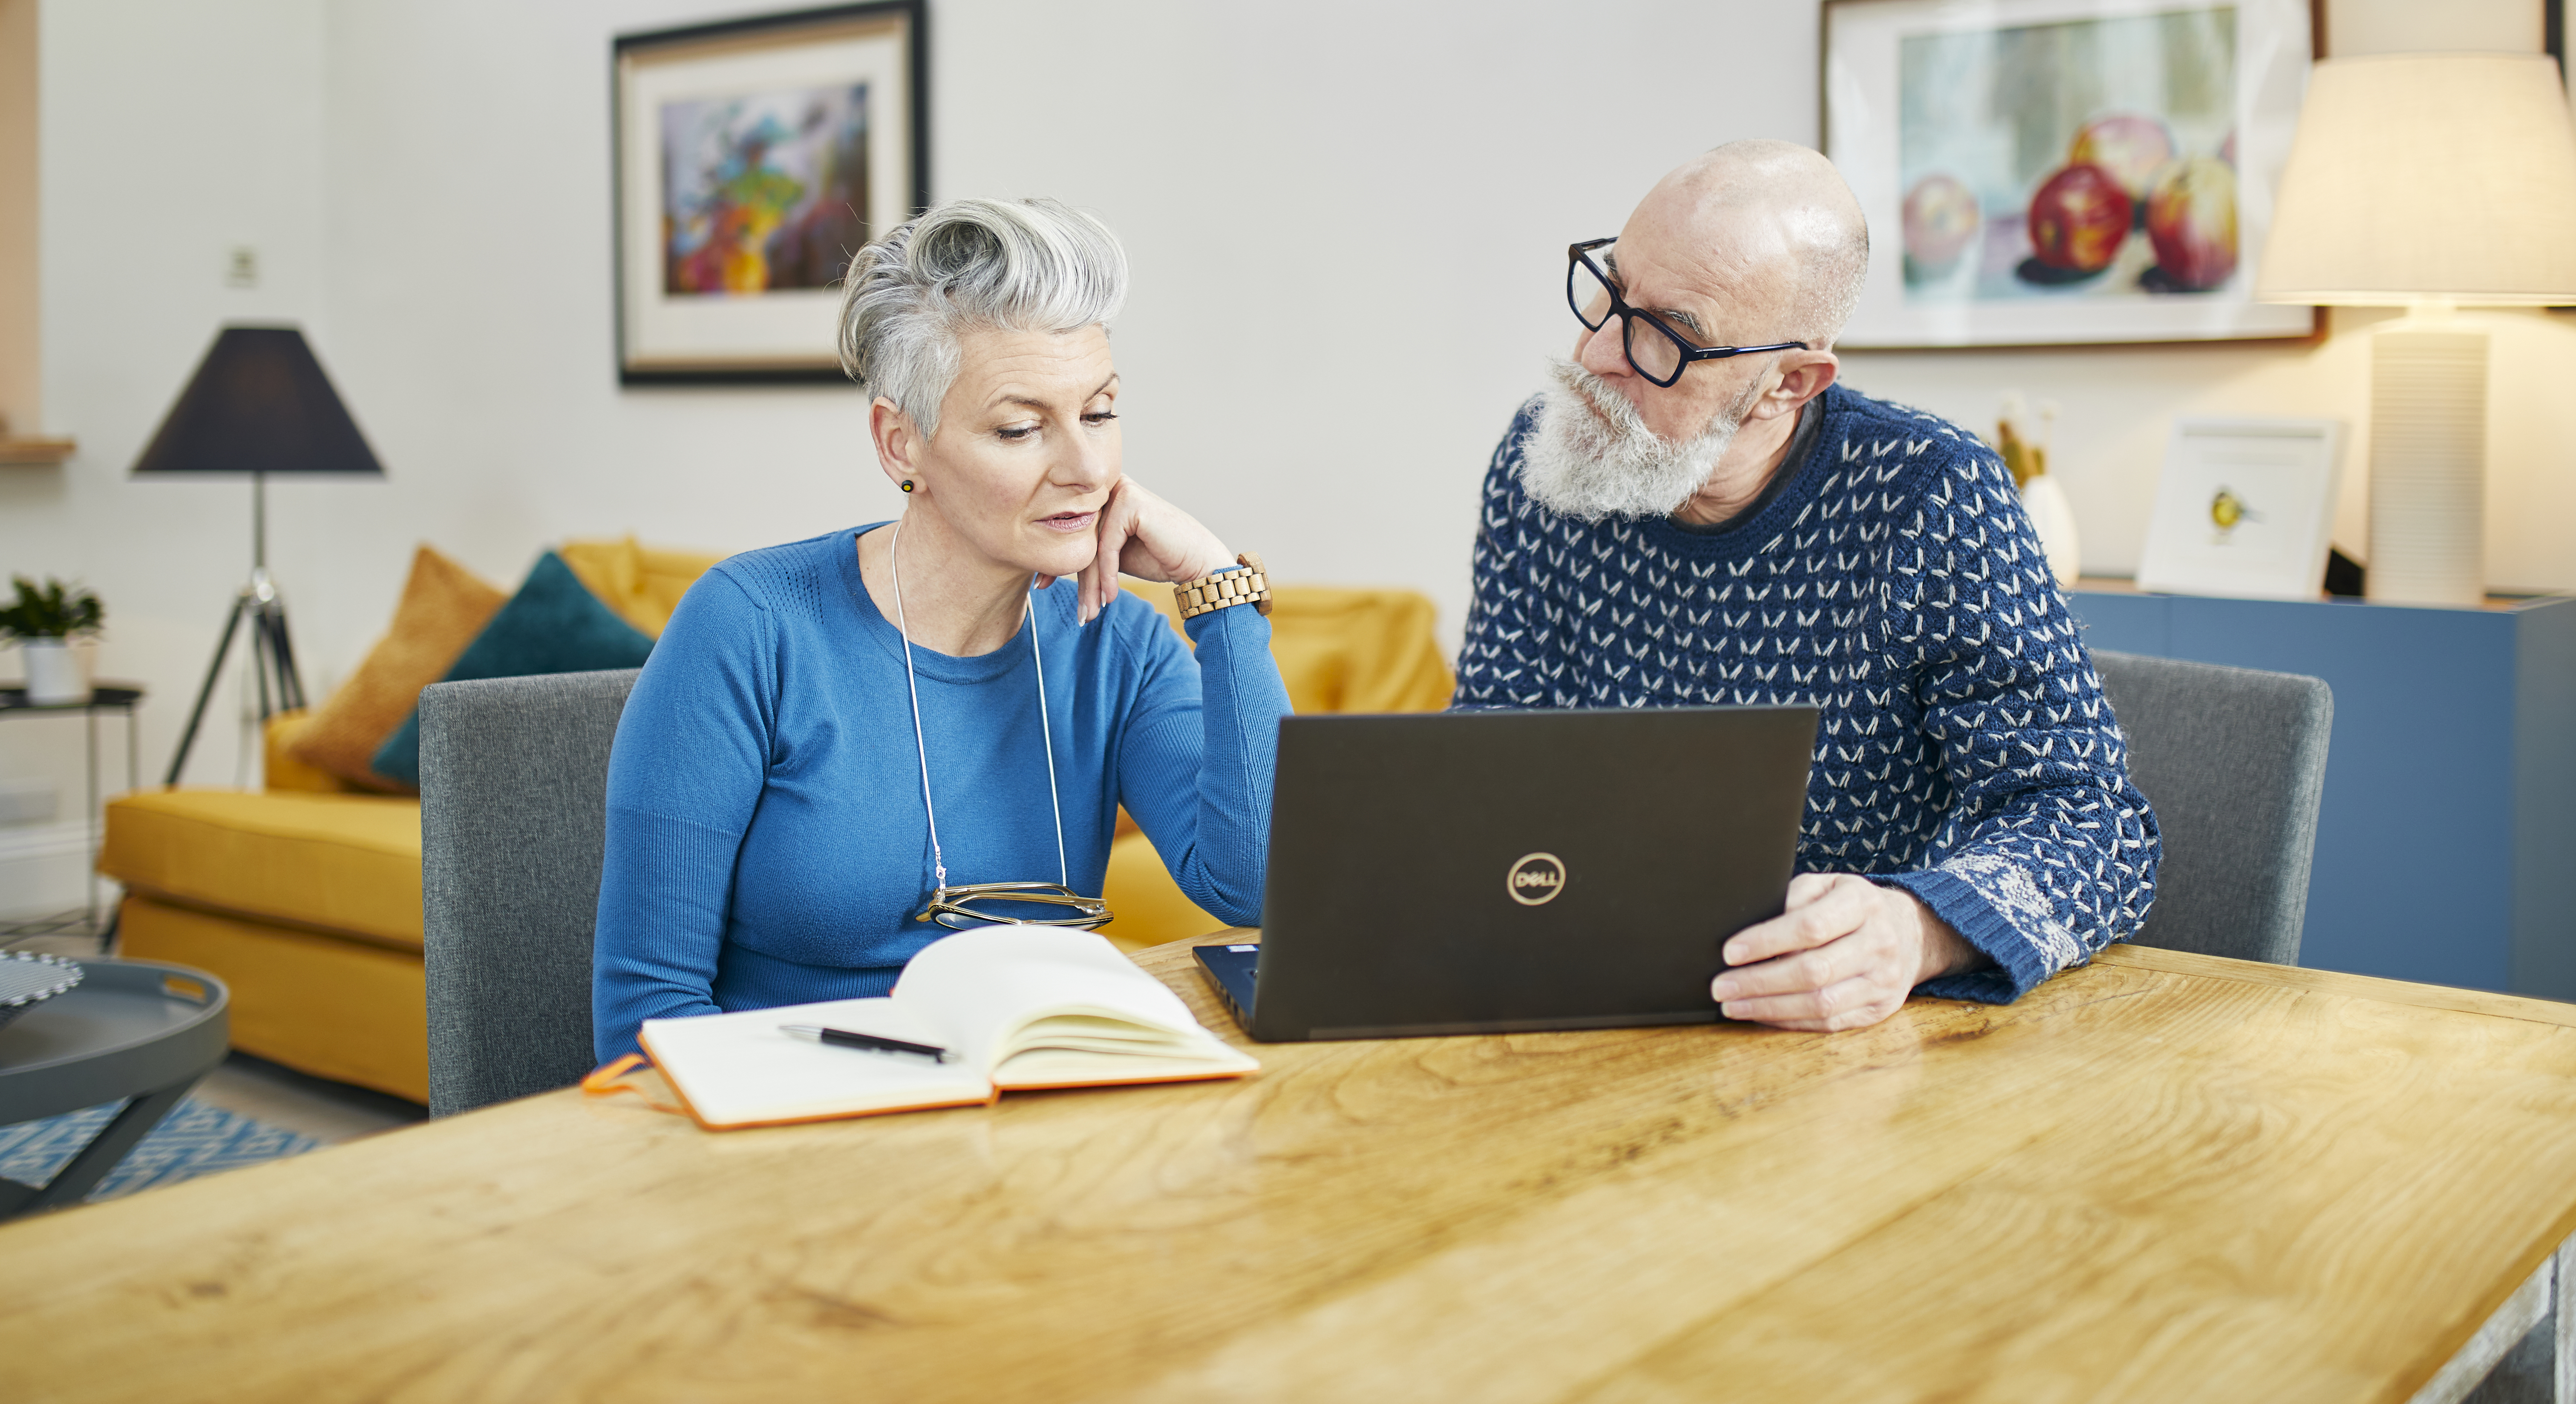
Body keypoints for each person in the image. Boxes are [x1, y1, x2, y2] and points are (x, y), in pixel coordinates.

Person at [1455, 140, 2157, 1033]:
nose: (1596, 352)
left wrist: (1917, 928)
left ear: (1789, 383)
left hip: (1857, 1046)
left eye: (1665, 334)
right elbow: (1492, 757)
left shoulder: (1930, 496)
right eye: (1610, 288)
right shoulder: (1544, 459)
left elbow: (2095, 824)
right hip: (1597, 1011)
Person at [592, 198, 1287, 1064]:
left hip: (1032, 1124)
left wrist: (1218, 588)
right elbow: (645, 1013)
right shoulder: (751, 628)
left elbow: (1256, 887)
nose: (1087, 466)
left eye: (1100, 412)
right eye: (1021, 426)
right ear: (900, 443)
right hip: (788, 1140)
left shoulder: (1119, 644)